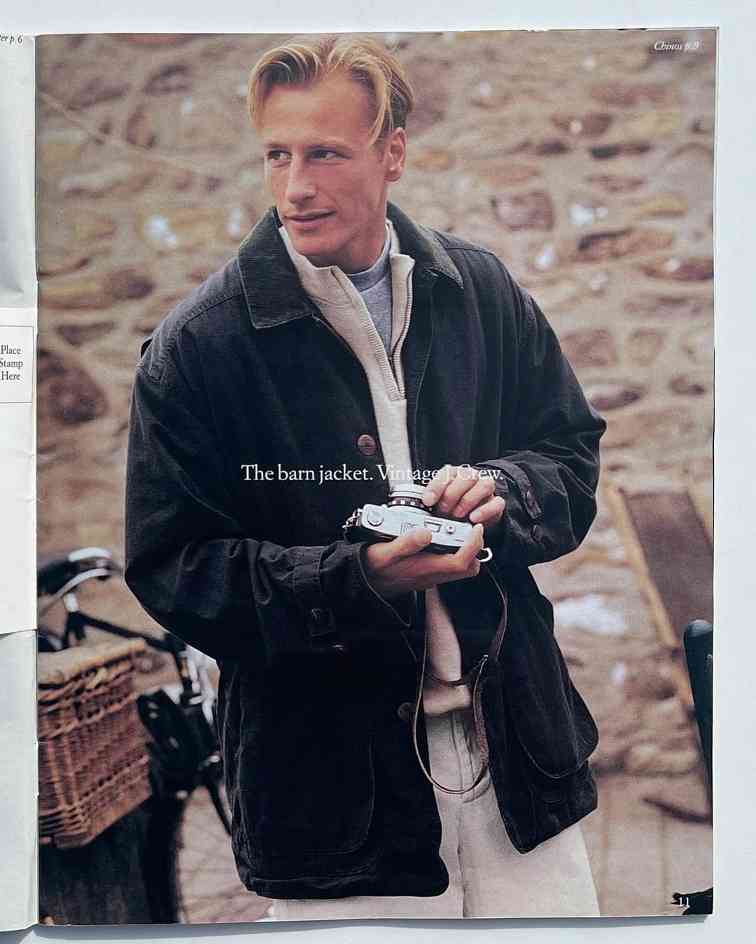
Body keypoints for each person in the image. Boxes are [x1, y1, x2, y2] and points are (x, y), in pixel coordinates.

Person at [125, 34, 607, 919]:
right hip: (332, 799)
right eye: (277, 154)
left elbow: (569, 452)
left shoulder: (481, 290)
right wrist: (357, 580)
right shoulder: (197, 348)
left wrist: (503, 492)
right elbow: (175, 569)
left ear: (393, 153)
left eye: (325, 154)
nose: (295, 187)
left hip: (517, 763)